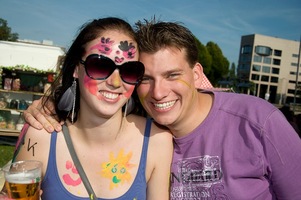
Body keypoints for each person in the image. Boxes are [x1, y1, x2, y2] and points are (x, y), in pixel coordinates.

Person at [24, 18, 301, 199]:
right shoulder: (148, 126)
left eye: (172, 75)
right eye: (144, 78)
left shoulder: (259, 121)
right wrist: (48, 106)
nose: (158, 92)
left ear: (196, 74)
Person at [2, 17, 173, 200]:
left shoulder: (157, 141)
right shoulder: (40, 138)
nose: (115, 82)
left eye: (129, 70)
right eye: (100, 66)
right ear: (76, 69)